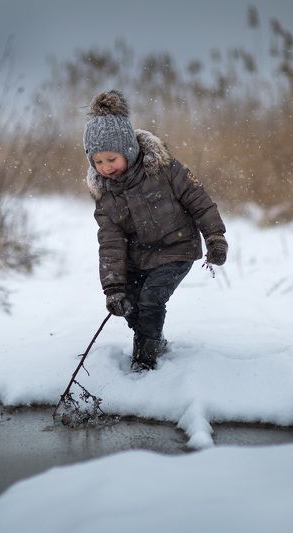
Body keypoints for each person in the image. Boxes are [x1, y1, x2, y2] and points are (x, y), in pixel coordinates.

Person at [83, 90, 228, 371]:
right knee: (131, 305)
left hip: (177, 248)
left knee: (151, 299)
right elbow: (110, 242)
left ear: (128, 150)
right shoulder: (106, 196)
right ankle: (154, 340)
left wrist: (215, 237)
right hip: (139, 258)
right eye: (98, 162)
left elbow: (200, 202)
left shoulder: (165, 170)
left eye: (111, 159)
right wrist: (113, 288)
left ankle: (145, 362)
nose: (105, 168)